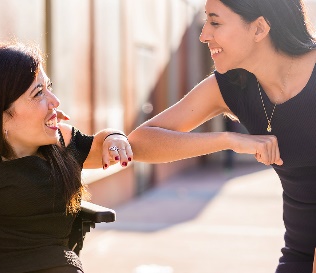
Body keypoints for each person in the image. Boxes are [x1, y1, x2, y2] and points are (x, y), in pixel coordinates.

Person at [128, 0, 316, 272]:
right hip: (299, 254)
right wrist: (227, 140)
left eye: (215, 22)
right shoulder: (232, 85)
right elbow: (140, 143)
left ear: (260, 28)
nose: (204, 34)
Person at [0, 42, 133, 273]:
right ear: (0, 115)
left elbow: (99, 145)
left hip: (53, 264)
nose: (55, 101)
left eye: (49, 87)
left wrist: (114, 136)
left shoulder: (62, 141)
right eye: (38, 94)